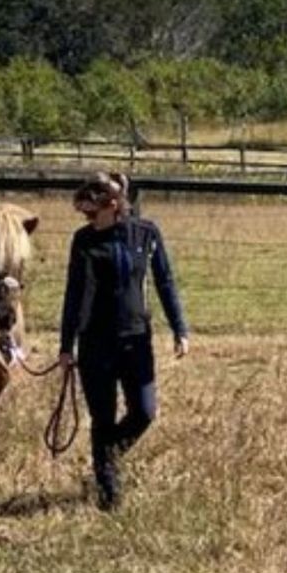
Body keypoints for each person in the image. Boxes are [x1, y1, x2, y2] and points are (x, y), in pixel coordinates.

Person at [58, 172, 189, 511]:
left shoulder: (146, 234)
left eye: (91, 212)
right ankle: (109, 494)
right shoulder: (83, 241)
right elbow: (75, 294)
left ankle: (106, 461)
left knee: (144, 412)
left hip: (136, 340)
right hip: (95, 344)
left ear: (114, 206)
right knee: (102, 418)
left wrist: (180, 328)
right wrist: (66, 346)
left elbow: (165, 281)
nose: (87, 219)